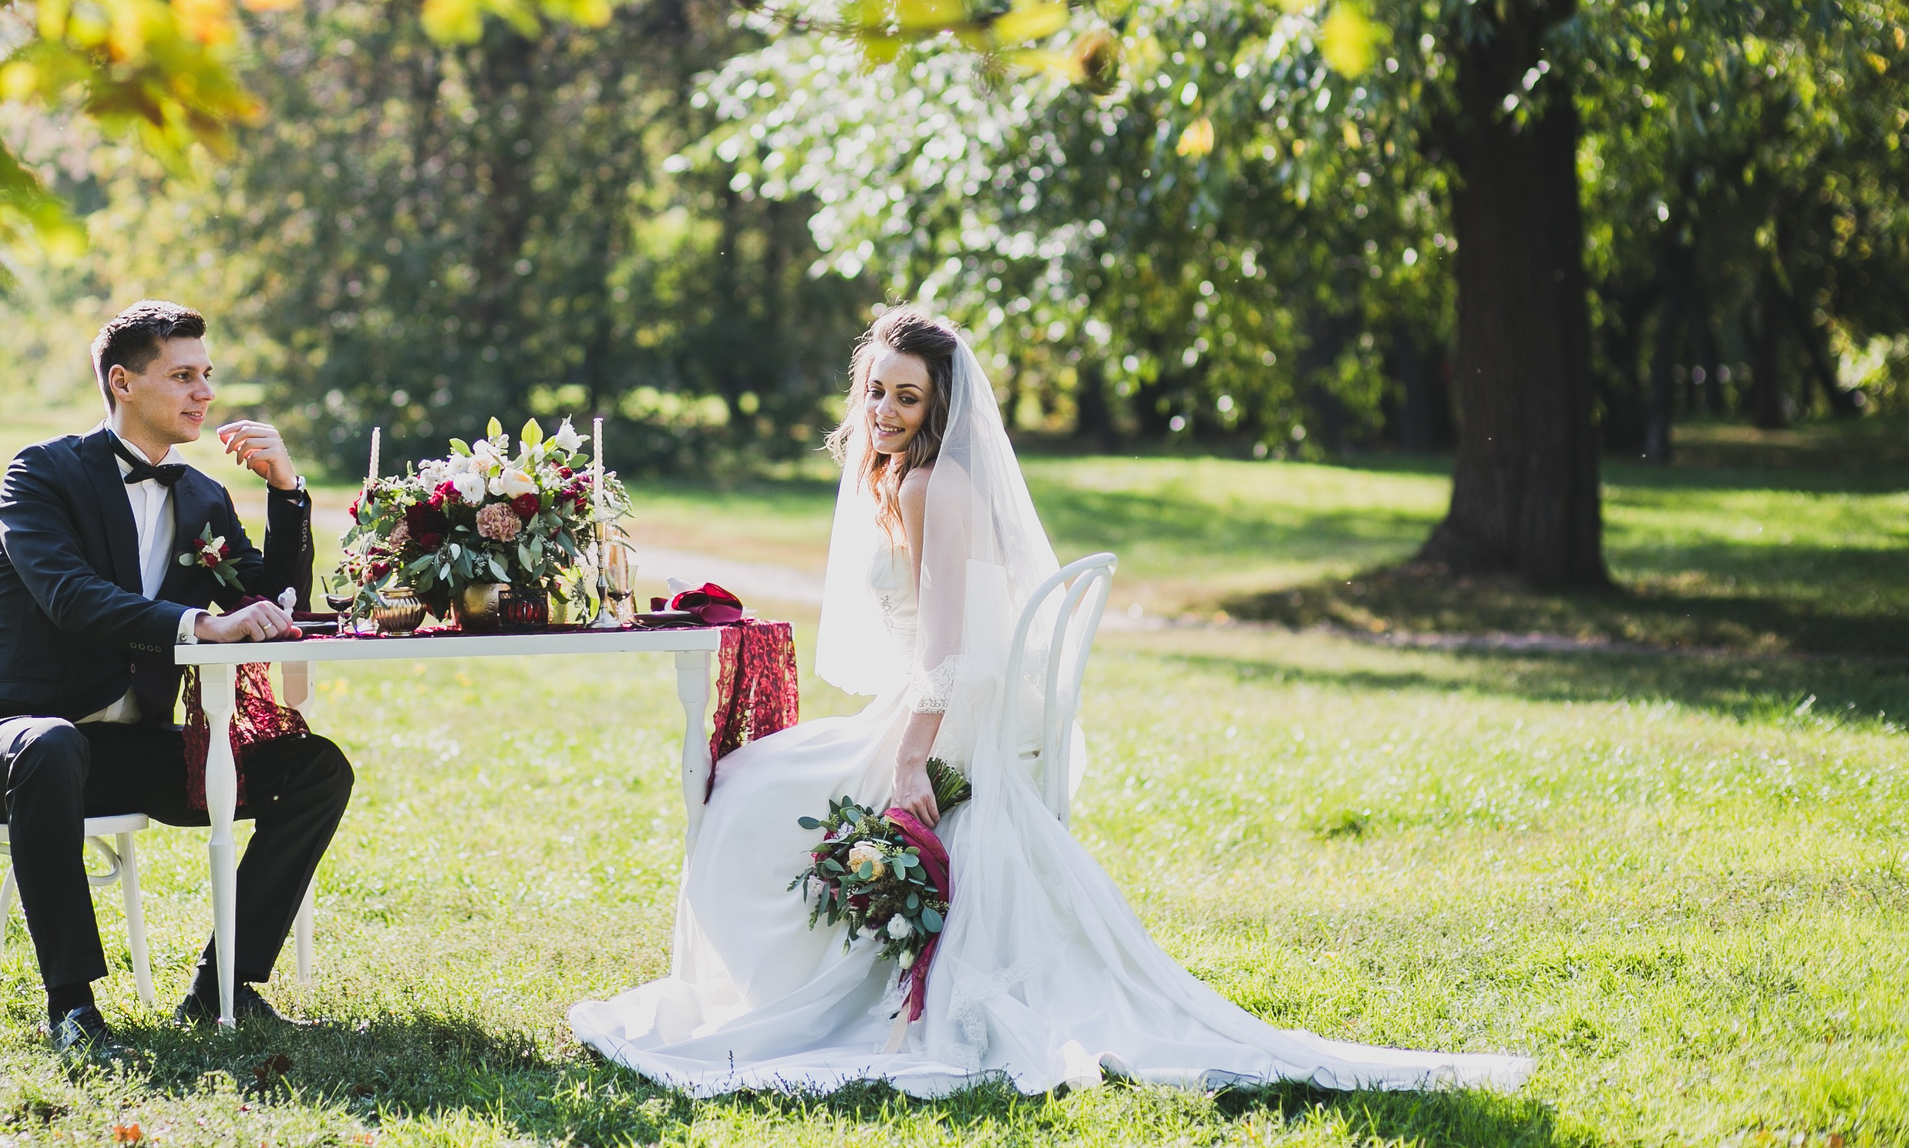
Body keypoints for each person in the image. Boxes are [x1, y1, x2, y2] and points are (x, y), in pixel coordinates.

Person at [569, 307, 1532, 1096]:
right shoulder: (906, 478)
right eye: (879, 391)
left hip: (948, 716)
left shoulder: (931, 488)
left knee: (740, 793)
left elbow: (945, 652)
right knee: (754, 775)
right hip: (958, 699)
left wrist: (911, 763)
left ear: (940, 403)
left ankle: (789, 1000)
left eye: (910, 395)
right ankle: (789, 984)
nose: (890, 409)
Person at [0, 301, 353, 1060]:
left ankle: (224, 985)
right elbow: (72, 596)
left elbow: (276, 607)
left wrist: (287, 491)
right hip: (9, 744)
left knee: (317, 767)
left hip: (127, 754)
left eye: (207, 376)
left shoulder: (200, 497)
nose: (204, 394)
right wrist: (198, 627)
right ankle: (72, 1008)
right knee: (52, 745)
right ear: (122, 382)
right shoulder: (43, 473)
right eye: (183, 375)